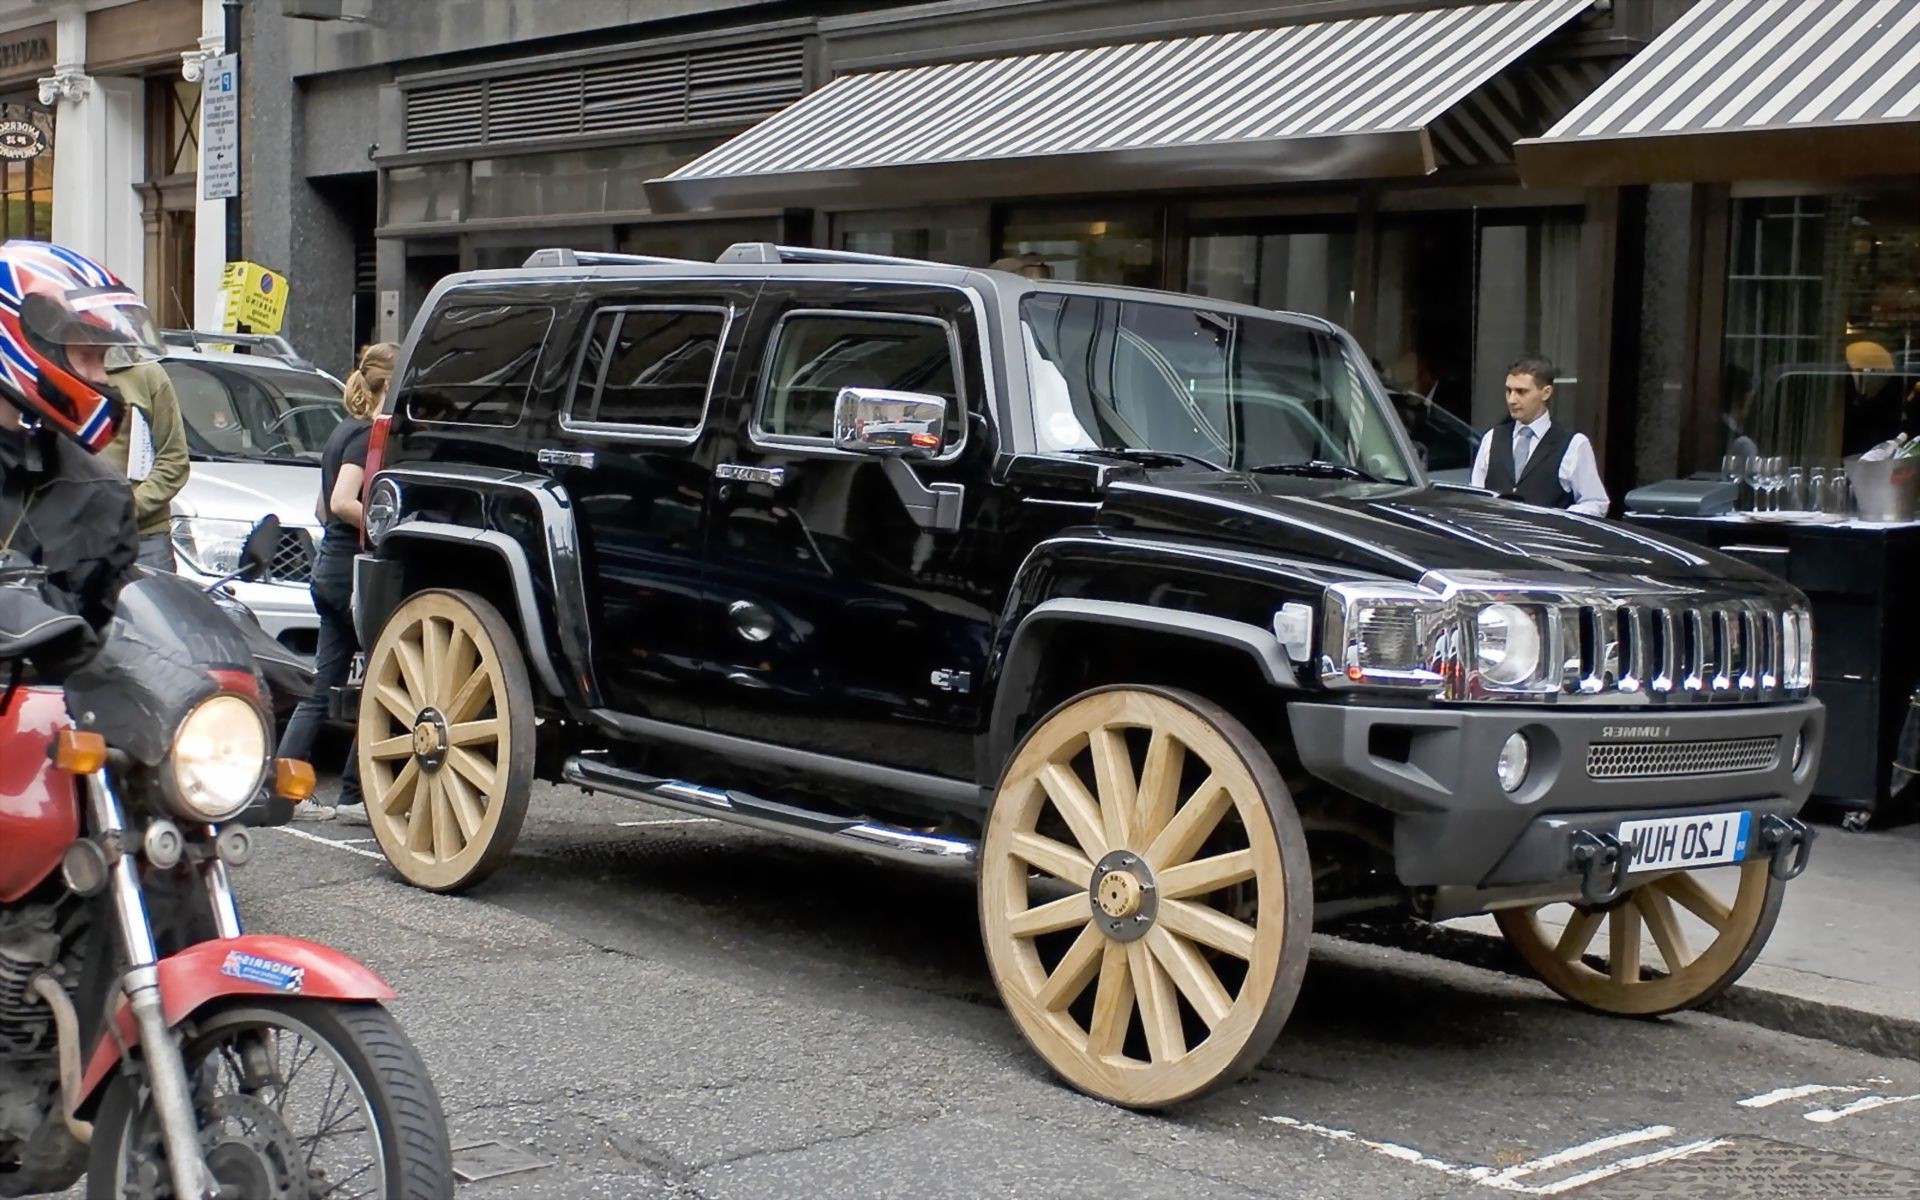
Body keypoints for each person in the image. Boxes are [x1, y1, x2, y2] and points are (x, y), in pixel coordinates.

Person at [0, 241, 150, 683]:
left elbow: (121, 628)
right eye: (87, 356)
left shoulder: (101, 491)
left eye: (103, 360)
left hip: (51, 733)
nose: (101, 378)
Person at [281, 341, 396, 824]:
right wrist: (385, 520)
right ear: (388, 384)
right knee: (379, 683)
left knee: (323, 684)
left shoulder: (341, 430)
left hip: (329, 565)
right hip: (352, 570)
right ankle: (354, 793)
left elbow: (321, 507)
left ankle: (284, 788)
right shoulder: (365, 435)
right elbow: (346, 500)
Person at [1468, 355, 1610, 517]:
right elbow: (1476, 497)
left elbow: (1595, 502)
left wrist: (1560, 519)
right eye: (1509, 391)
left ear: (1546, 393)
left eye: (1521, 392)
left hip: (1547, 539)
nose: (1512, 399)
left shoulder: (1573, 444)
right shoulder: (1492, 438)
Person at [96, 353, 189, 570]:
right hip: (77, 539)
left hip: (144, 539)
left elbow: (174, 459)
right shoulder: (58, 366)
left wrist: (128, 508)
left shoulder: (147, 373)